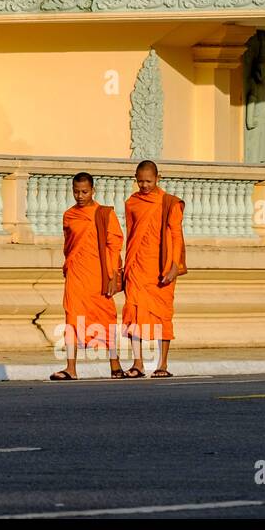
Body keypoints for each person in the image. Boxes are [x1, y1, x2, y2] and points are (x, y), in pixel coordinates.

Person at [51, 172, 123, 381]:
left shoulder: (104, 214)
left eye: (84, 192)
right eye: (76, 192)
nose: (80, 196)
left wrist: (111, 276)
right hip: (76, 273)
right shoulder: (69, 215)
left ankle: (114, 363)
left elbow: (114, 245)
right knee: (72, 317)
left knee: (106, 317)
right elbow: (69, 245)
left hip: (99, 274)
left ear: (93, 190)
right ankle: (71, 368)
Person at [120, 160, 186, 378]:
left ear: (158, 178)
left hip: (161, 267)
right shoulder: (132, 203)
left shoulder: (169, 203)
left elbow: (176, 236)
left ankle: (163, 364)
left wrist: (175, 266)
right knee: (133, 310)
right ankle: (137, 363)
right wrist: (125, 267)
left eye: (148, 181)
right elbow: (131, 235)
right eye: (140, 182)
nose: (145, 186)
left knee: (162, 314)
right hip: (137, 266)